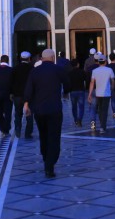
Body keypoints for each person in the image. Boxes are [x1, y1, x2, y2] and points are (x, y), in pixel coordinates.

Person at [23, 49, 70, 178]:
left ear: (42, 58)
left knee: (43, 135)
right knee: (54, 136)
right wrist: (65, 93)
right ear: (53, 58)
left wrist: (26, 104)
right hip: (54, 109)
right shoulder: (58, 70)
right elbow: (67, 84)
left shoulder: (35, 71)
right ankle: (50, 164)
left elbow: (29, 89)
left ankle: (46, 158)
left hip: (39, 110)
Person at [87, 52, 114, 133]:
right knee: (104, 110)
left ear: (98, 62)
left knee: (97, 109)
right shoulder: (109, 70)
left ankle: (94, 126)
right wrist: (112, 88)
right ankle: (102, 126)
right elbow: (113, 81)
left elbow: (92, 82)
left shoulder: (94, 71)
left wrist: (89, 94)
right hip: (106, 93)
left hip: (97, 92)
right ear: (105, 62)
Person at [11, 52, 34, 139]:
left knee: (18, 113)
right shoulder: (32, 68)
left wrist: (11, 93)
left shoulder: (15, 68)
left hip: (17, 95)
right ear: (29, 59)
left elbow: (11, 82)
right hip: (29, 95)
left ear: (20, 58)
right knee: (29, 113)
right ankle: (28, 133)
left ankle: (18, 129)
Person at [66, 59, 88, 127]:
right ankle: (79, 119)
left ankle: (75, 119)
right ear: (78, 64)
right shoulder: (82, 72)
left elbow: (67, 83)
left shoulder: (69, 73)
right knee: (81, 107)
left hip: (72, 91)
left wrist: (66, 92)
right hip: (81, 90)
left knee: (74, 107)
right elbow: (86, 79)